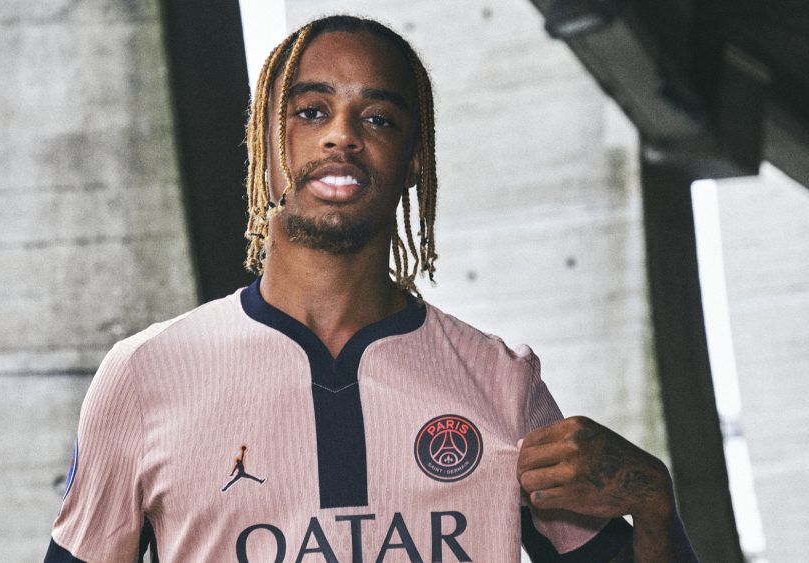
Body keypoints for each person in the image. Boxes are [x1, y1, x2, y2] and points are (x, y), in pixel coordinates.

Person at [45, 15, 697, 562]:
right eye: (311, 111)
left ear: (414, 159)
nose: (342, 135)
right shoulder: (144, 375)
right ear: (265, 145)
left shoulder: (502, 383)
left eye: (379, 119)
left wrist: (654, 505)